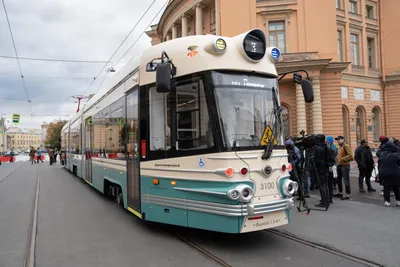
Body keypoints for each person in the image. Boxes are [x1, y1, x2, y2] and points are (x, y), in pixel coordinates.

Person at [377, 142, 400, 207]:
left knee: (386, 187)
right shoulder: (396, 154)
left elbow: (379, 164)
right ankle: (398, 200)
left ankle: (387, 201)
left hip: (384, 173)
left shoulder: (382, 154)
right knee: (396, 187)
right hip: (394, 172)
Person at [334, 136, 354, 200]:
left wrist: (342, 159)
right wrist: (337, 159)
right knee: (338, 180)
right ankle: (340, 192)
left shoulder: (346, 146)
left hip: (345, 165)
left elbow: (351, 156)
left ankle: (348, 194)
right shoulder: (340, 147)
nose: (338, 141)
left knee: (346, 180)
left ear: (343, 139)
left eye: (339, 140)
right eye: (337, 140)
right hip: (339, 165)